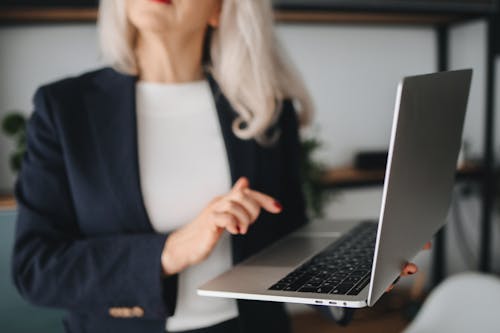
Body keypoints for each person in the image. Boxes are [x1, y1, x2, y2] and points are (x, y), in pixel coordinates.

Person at [11, 0, 421, 332]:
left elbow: (291, 239)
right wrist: (170, 251)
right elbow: (36, 269)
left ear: (220, 10)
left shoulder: (264, 109)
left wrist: (358, 276)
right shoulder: (64, 109)